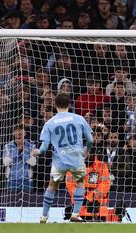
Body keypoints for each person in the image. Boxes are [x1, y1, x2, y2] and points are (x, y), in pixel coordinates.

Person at [34, 92, 94, 223]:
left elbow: (44, 148)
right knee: (80, 182)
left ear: (55, 105)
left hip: (59, 160)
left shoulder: (49, 123)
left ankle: (44, 216)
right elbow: (90, 139)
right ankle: (76, 213)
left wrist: (37, 152)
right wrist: (86, 150)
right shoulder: (79, 118)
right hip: (77, 158)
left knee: (52, 186)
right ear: (70, 104)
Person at [2, 124, 37, 193]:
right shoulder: (7, 146)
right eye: (17, 130)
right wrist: (17, 150)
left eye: (21, 130)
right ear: (13, 133)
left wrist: (23, 151)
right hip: (12, 181)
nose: (19, 132)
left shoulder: (32, 146)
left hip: (27, 181)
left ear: (25, 133)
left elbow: (33, 163)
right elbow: (5, 163)